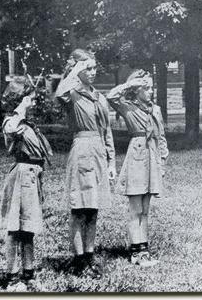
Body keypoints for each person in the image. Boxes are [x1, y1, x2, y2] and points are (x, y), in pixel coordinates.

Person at [54, 49, 116, 277]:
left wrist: (111, 162)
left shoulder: (99, 98)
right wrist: (74, 71)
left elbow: (107, 131)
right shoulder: (72, 95)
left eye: (93, 68)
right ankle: (79, 260)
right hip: (81, 151)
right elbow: (58, 93)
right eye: (86, 68)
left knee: (93, 209)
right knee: (79, 210)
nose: (92, 72)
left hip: (98, 152)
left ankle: (90, 256)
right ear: (77, 70)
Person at [106, 70, 169, 267]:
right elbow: (111, 96)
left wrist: (162, 161)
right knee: (136, 208)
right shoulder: (128, 107)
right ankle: (136, 252)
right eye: (146, 88)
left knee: (146, 210)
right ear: (136, 90)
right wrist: (130, 84)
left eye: (151, 88)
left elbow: (161, 137)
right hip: (137, 157)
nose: (150, 92)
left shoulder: (156, 110)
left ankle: (144, 250)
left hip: (151, 158)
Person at [0, 76, 53, 289]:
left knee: (27, 228)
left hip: (32, 175)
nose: (33, 101)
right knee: (15, 227)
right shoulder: (12, 120)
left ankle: (28, 274)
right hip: (22, 175)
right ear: (19, 99)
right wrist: (21, 108)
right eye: (28, 97)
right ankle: (12, 279)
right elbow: (10, 130)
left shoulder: (26, 123)